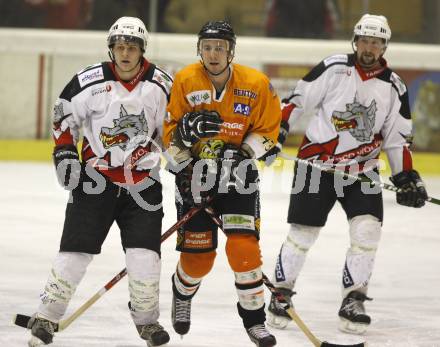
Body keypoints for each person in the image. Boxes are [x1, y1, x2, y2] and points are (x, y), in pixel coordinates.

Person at [266, 14, 428, 335]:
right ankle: (280, 293)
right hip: (317, 167)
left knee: (367, 233)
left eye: (376, 42)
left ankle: (354, 299)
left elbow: (398, 139)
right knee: (302, 234)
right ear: (356, 41)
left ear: (385, 46)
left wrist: (406, 177)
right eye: (365, 41)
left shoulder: (394, 86)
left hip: (362, 173)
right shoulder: (334, 67)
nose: (369, 48)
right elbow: (296, 102)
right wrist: (277, 133)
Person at [26, 16, 172, 347]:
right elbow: (63, 115)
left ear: (141, 50)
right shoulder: (88, 80)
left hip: (143, 183)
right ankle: (46, 316)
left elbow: (171, 133)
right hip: (95, 179)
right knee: (75, 251)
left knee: (144, 257)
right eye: (119, 46)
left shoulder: (162, 85)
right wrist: (64, 153)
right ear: (111, 49)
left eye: (131, 47)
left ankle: (148, 323)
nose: (125, 53)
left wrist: (185, 160)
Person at [162, 21, 281, 346]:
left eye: (220, 48)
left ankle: (255, 321)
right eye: (207, 47)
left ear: (231, 51)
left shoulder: (256, 84)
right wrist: (183, 160)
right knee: (198, 260)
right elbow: (169, 131)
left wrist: (244, 151)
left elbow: (270, 130)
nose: (213, 54)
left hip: (239, 178)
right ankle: (182, 292)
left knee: (244, 249)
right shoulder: (185, 80)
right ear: (199, 49)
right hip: (195, 178)